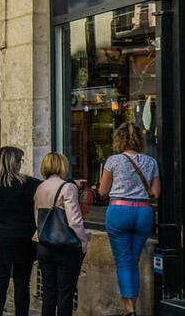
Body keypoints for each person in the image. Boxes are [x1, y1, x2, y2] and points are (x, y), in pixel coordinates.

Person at [98, 123, 160, 316]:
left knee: (124, 261)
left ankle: (129, 309)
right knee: (133, 260)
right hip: (143, 212)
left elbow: (102, 191)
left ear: (119, 140)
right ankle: (130, 308)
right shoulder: (151, 162)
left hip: (119, 210)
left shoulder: (113, 161)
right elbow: (155, 192)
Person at [0, 146, 40, 316]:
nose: (21, 164)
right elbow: (52, 186)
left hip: (0, 240)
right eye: (20, 161)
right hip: (24, 240)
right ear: (15, 163)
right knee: (22, 284)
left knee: (0, 283)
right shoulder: (29, 183)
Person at [34, 152, 90, 316]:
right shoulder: (68, 187)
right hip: (66, 247)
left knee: (48, 294)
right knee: (65, 295)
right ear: (62, 166)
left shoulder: (40, 187)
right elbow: (74, 221)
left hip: (44, 246)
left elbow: (36, 218)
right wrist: (83, 240)